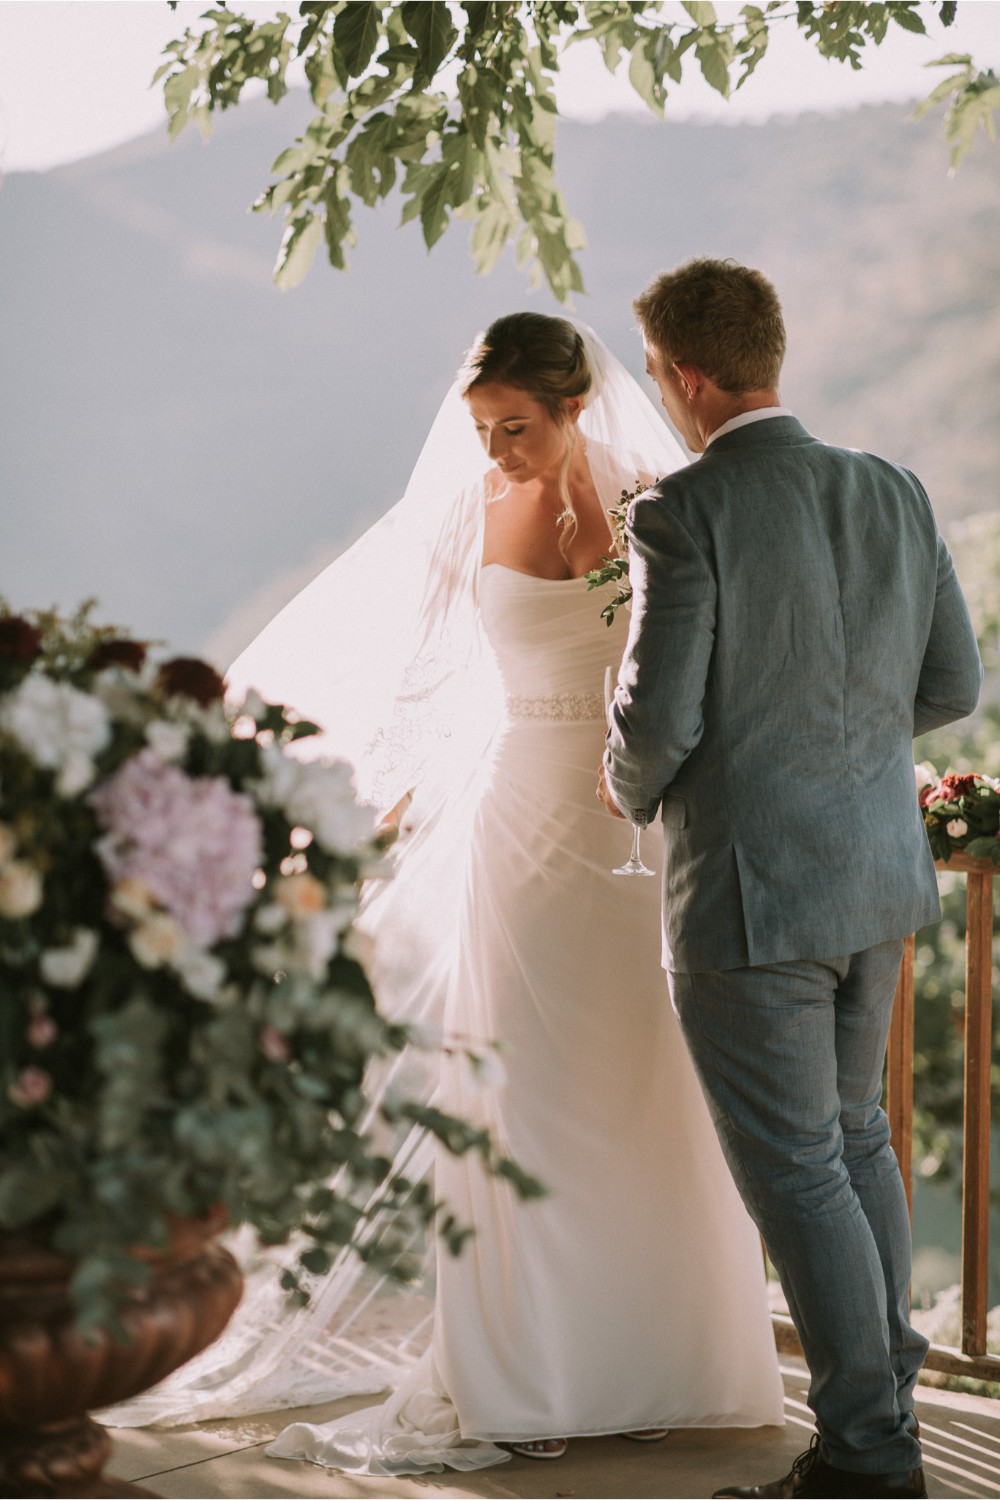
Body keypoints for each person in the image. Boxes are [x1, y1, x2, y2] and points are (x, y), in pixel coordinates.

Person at [103, 314, 784, 1471]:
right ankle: (527, 1367)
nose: (497, 453)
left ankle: (678, 1360)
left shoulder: (665, 504)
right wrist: (373, 799)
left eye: (515, 428)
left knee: (652, 1085)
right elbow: (415, 673)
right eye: (480, 431)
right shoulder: (467, 513)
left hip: (647, 833)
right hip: (520, 822)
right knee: (521, 1084)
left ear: (576, 407)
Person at [599, 259, 983, 1500]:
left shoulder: (681, 510)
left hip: (750, 895)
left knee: (799, 1171)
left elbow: (654, 725)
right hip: (879, 873)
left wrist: (622, 788)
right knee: (855, 1139)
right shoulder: (892, 487)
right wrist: (844, 749)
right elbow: (951, 688)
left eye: (655, 374)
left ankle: (869, 1454)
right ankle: (885, 1406)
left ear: (688, 376)